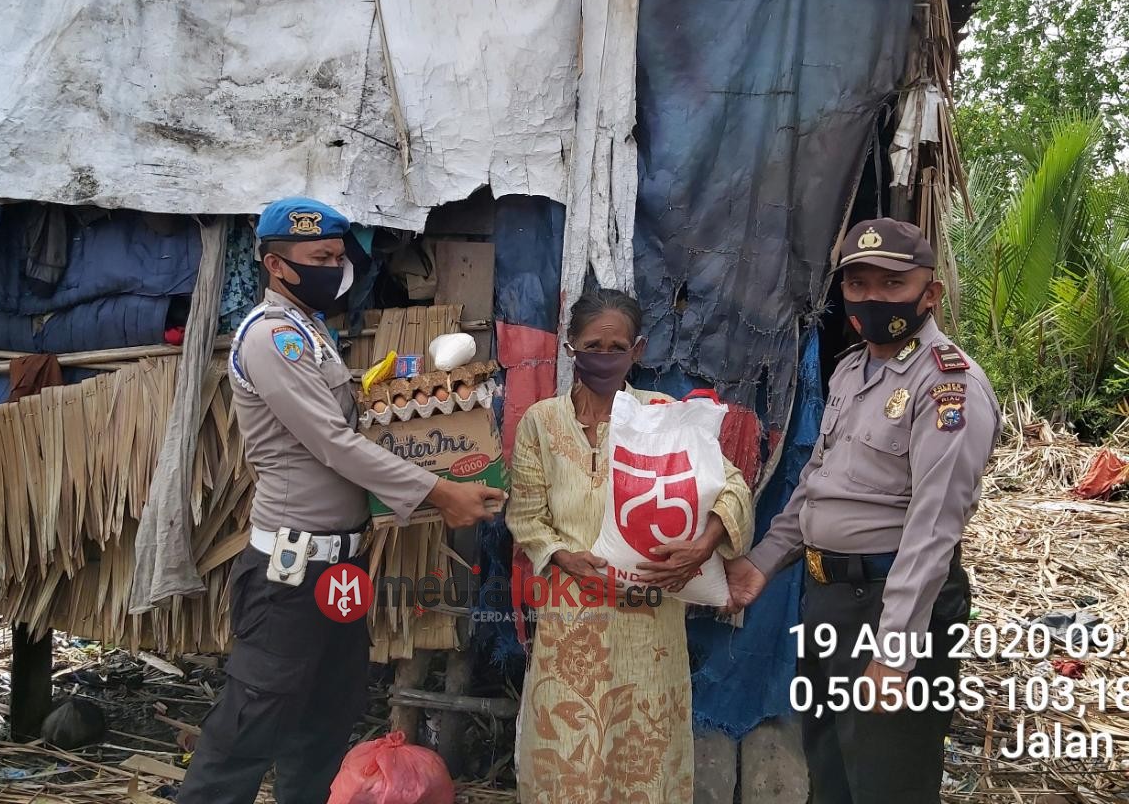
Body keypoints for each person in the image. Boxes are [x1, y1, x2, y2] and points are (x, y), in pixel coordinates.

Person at [177, 197, 505, 804]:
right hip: (291, 572)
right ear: (278, 266)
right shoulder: (274, 338)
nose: (336, 266)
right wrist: (438, 491)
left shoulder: (313, 333)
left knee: (325, 724)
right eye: (320, 257)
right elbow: (332, 443)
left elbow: (352, 429)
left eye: (337, 254)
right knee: (248, 728)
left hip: (343, 567)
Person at [723, 217, 1000, 804]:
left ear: (930, 293)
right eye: (858, 284)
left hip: (892, 608)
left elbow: (932, 531)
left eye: (891, 285)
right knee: (831, 776)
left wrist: (895, 653)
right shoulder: (852, 370)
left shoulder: (948, 386)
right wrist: (765, 561)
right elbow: (818, 483)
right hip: (828, 601)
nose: (872, 299)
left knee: (887, 783)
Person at [506, 287, 754, 804]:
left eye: (616, 347)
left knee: (646, 761)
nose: (604, 357)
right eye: (592, 346)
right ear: (570, 347)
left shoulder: (662, 416)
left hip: (650, 629)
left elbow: (731, 486)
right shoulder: (541, 424)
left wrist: (705, 544)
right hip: (570, 627)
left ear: (637, 351)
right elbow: (527, 517)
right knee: (567, 760)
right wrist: (563, 557)